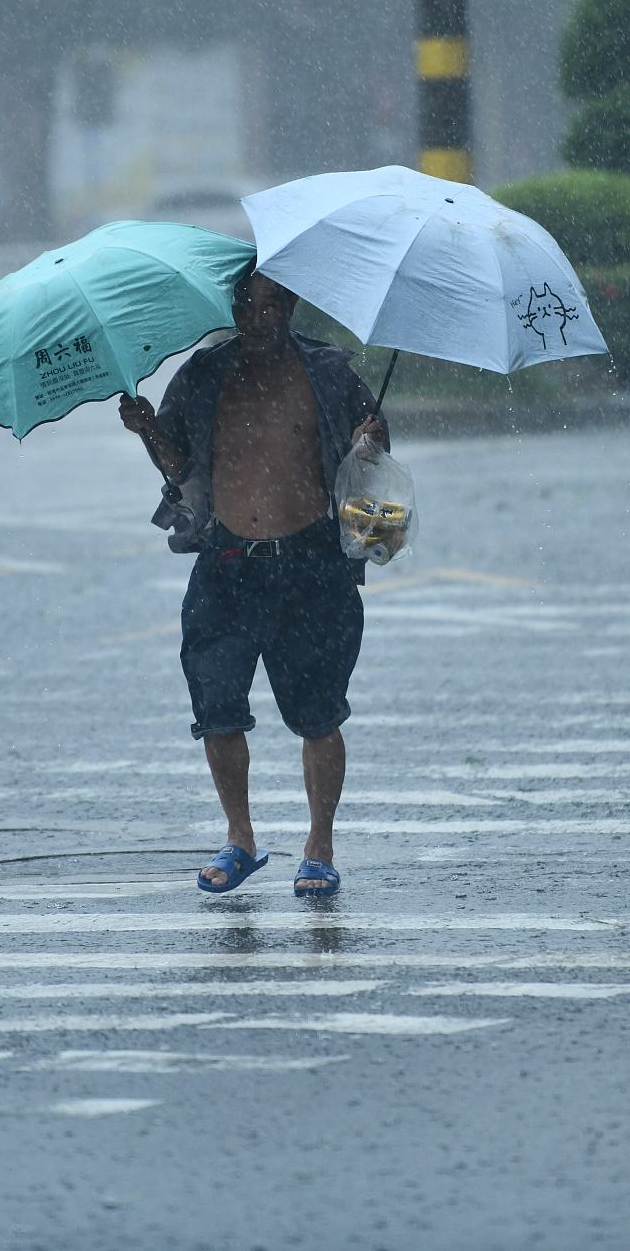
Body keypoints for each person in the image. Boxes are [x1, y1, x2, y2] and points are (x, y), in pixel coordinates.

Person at [118, 271, 388, 896]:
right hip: (226, 562)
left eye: (269, 305)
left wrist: (369, 438)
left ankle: (319, 846)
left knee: (319, 713)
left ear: (290, 305)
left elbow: (373, 439)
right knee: (216, 708)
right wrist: (147, 431)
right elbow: (181, 466)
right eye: (244, 304)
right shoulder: (204, 374)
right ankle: (240, 837)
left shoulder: (327, 371)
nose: (256, 317)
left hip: (312, 565)